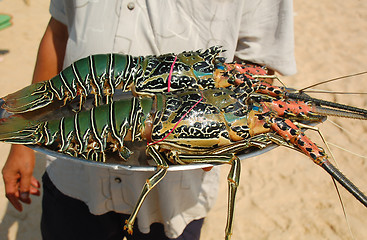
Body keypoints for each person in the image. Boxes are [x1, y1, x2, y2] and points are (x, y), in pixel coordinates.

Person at [2, 1, 297, 239]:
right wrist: (22, 145)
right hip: (74, 174)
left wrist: (216, 133)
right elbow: (59, 27)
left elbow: (259, 63)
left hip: (171, 200)